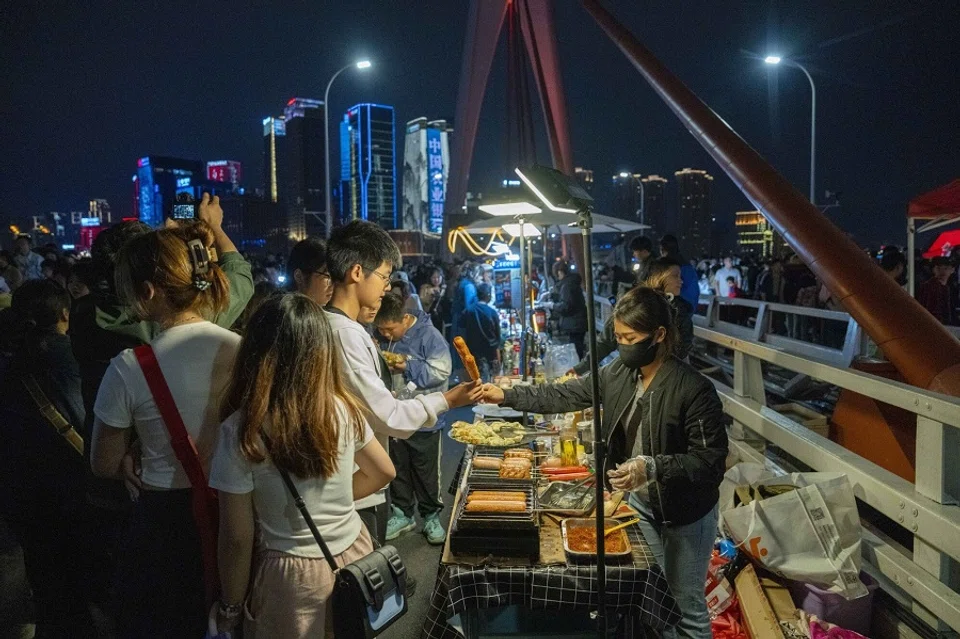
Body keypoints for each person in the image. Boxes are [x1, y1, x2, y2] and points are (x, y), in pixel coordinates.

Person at [481, 287, 727, 639]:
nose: (622, 344)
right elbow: (564, 393)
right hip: (641, 505)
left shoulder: (693, 389)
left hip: (687, 513)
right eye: (617, 336)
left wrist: (652, 467)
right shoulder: (619, 374)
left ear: (659, 335)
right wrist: (508, 395)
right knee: (652, 596)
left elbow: (709, 462)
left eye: (630, 337)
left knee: (685, 605)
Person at [210, 294, 394, 638]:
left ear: (255, 353)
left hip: (290, 576)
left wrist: (231, 607)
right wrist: (336, 502)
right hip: (355, 553)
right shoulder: (342, 408)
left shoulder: (241, 431)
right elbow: (383, 472)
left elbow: (236, 537)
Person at [90, 221, 240, 637]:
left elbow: (102, 463)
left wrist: (131, 449)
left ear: (149, 292)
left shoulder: (129, 367)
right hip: (237, 510)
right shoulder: (242, 348)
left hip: (164, 526)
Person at [324, 220, 482, 545]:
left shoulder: (330, 325)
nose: (386, 287)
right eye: (383, 276)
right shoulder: (347, 336)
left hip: (352, 474)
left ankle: (422, 514)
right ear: (357, 272)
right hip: (356, 479)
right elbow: (389, 415)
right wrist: (448, 400)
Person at [0, 280, 92, 635]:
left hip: (20, 492)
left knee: (43, 575)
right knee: (79, 578)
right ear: (64, 314)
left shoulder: (10, 364)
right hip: (73, 486)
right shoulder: (74, 358)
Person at [374, 292, 452, 545]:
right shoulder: (384, 339)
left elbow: (441, 371)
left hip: (425, 418)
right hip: (394, 415)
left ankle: (430, 516)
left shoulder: (430, 336)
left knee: (426, 470)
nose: (386, 335)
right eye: (380, 330)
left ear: (405, 319)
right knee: (398, 469)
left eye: (389, 329)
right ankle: (402, 514)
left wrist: (407, 365)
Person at [572, 257, 694, 374]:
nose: (680, 280)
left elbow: (683, 348)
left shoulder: (681, 310)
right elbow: (605, 342)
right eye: (675, 276)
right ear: (658, 276)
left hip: (671, 377)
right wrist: (580, 369)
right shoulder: (634, 304)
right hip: (636, 375)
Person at [463, 282, 502, 381]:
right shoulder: (492, 312)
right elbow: (498, 336)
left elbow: (461, 327)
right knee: (490, 381)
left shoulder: (468, 310)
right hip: (490, 353)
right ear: (488, 295)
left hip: (473, 352)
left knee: (476, 380)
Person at [551, 259, 588, 359]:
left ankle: (578, 372)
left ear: (559, 272)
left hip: (575, 323)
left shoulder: (567, 285)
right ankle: (579, 370)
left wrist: (552, 305)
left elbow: (566, 306)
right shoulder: (572, 282)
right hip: (578, 322)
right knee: (577, 349)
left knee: (576, 351)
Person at [288, 237, 333, 307]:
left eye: (335, 277)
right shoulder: (285, 315)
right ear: (299, 277)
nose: (333, 285)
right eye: (328, 276)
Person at [659, 234, 699, 308]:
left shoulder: (668, 267)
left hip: (675, 309)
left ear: (662, 249)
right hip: (690, 308)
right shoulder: (688, 267)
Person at [917, 256, 956, 325]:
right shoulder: (929, 286)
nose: (942, 271)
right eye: (938, 268)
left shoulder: (950, 287)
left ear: (952, 270)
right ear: (933, 269)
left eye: (946, 268)